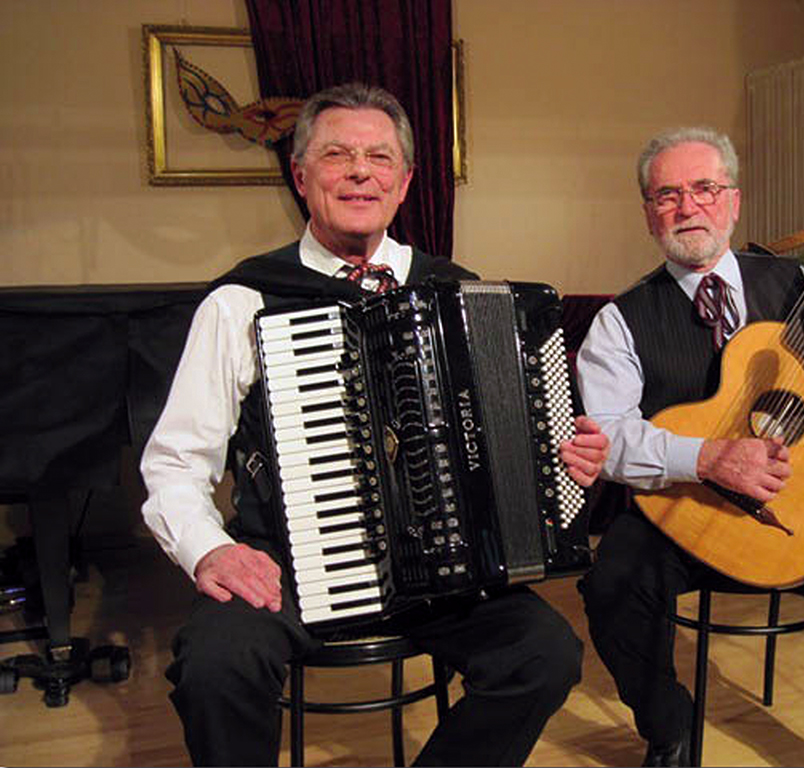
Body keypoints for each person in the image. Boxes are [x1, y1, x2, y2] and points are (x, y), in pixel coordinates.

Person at [141, 82, 609, 767]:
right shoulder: (243, 301)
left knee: (544, 654)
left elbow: (509, 446)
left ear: (404, 182)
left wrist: (561, 460)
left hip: (447, 572)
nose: (361, 172)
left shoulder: (458, 291)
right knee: (217, 664)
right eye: (337, 155)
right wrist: (210, 550)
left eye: (380, 157)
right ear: (301, 176)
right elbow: (175, 462)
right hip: (288, 566)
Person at [575, 126, 804, 767]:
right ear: (648, 213)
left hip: (798, 495)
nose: (688, 207)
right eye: (667, 195)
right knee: (611, 583)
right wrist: (707, 459)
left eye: (705, 189)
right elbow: (608, 439)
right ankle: (669, 726)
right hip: (681, 509)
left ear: (734, 201)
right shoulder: (619, 321)